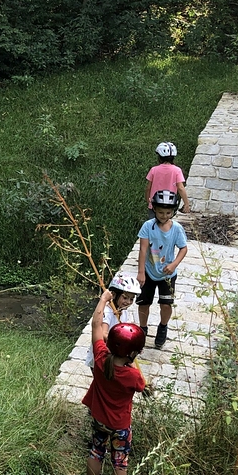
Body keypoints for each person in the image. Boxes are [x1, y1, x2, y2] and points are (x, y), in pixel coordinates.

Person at [80, 295, 147, 475]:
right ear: (132, 353)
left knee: (96, 452)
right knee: (120, 462)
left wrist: (103, 300)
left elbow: (96, 324)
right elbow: (142, 386)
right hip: (120, 425)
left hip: (99, 420)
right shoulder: (132, 376)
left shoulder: (100, 358)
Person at [137, 189, 188, 349]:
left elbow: (183, 249)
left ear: (172, 212)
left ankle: (163, 327)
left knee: (166, 304)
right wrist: (140, 272)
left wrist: (174, 265)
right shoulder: (147, 226)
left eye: (168, 212)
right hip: (149, 272)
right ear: (154, 210)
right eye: (160, 212)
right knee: (144, 303)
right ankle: (143, 329)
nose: (164, 216)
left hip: (168, 274)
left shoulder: (177, 229)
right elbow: (143, 249)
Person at [84, 271, 142, 370]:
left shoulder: (123, 311)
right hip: (102, 356)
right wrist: (122, 343)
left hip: (114, 356)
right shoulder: (108, 312)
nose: (128, 302)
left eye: (131, 299)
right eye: (125, 297)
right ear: (114, 295)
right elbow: (103, 334)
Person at [146, 142, 190, 217]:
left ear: (159, 157)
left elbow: (148, 188)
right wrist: (186, 203)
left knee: (152, 225)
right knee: (168, 225)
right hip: (170, 204)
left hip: (155, 204)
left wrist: (148, 201)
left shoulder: (154, 170)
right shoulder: (177, 170)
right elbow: (180, 188)